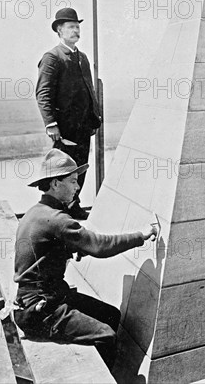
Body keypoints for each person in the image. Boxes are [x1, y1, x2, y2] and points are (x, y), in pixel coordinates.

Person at [13, 149, 157, 369]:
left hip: (40, 298)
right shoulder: (57, 219)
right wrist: (141, 236)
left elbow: (43, 253)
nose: (77, 187)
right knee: (106, 336)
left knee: (110, 315)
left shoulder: (36, 213)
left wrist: (69, 248)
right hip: (40, 311)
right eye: (72, 181)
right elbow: (99, 246)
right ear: (54, 184)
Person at [36, 7, 101, 220]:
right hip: (65, 129)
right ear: (59, 31)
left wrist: (94, 117)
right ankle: (57, 211)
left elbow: (89, 90)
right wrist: (51, 124)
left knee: (80, 168)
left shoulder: (82, 58)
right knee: (63, 171)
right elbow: (43, 94)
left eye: (77, 27)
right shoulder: (52, 58)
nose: (76, 31)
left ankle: (73, 205)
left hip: (83, 127)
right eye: (71, 27)